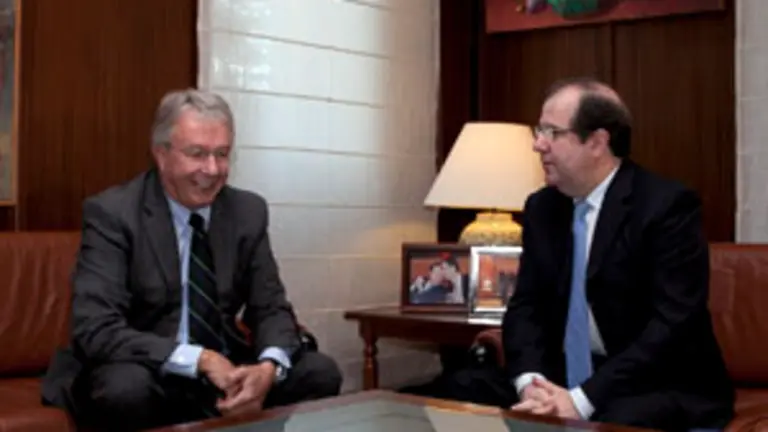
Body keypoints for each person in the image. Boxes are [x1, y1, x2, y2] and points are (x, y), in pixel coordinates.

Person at [440, 77, 734, 431]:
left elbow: (672, 325)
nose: (537, 145)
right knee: (458, 390)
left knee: (612, 423)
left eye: (551, 132)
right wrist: (531, 384)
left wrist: (581, 400)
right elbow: (526, 307)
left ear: (596, 142)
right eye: (539, 130)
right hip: (560, 376)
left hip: (651, 380)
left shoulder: (665, 206)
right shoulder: (543, 207)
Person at [41, 89, 342, 430]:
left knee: (319, 371)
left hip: (223, 369)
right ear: (161, 154)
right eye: (197, 154)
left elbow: (270, 307)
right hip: (144, 367)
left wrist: (268, 368)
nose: (212, 170)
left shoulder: (247, 212)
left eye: (222, 154)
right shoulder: (113, 214)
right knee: (125, 389)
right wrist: (200, 359)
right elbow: (95, 329)